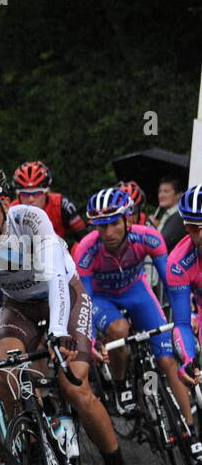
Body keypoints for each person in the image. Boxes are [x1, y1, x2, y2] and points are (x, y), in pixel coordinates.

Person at [0, 167, 138, 465]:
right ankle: (35, 451)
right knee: (6, 369)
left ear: (3, 202)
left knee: (73, 384)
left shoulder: (32, 219)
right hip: (17, 306)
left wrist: (58, 333)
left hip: (64, 295)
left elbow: (54, 280)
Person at [72, 187, 192, 436]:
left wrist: (186, 316)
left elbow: (170, 281)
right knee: (119, 329)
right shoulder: (87, 249)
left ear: (127, 219)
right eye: (101, 226)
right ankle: (121, 386)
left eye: (114, 223)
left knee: (167, 360)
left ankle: (191, 432)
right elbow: (86, 299)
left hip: (136, 292)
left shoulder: (148, 237)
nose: (108, 233)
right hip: (102, 299)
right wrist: (92, 339)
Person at [165, 185, 202, 377]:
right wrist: (188, 360)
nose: (201, 235)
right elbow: (182, 323)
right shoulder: (179, 262)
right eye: (193, 226)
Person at [11, 161, 86, 243]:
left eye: (37, 193)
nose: (31, 199)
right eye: (25, 194)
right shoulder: (11, 212)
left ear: (47, 192)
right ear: (17, 195)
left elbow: (85, 238)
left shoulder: (62, 204)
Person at [153, 174, 186, 251]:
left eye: (166, 191)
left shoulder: (179, 216)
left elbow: (160, 243)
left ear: (178, 195)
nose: (161, 195)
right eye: (160, 191)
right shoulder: (168, 214)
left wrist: (152, 228)